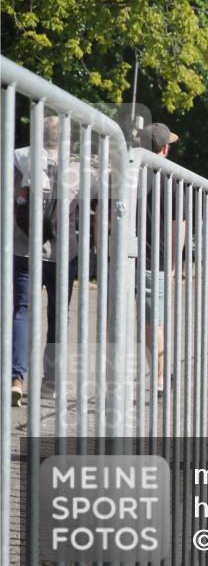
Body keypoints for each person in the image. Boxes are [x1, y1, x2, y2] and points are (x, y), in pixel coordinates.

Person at [10, 116, 86, 406]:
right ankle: (50, 382)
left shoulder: (19, 158)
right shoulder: (76, 168)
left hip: (23, 246)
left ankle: (16, 377)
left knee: (23, 310)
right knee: (58, 315)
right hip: (61, 250)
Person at [141, 123, 185, 395]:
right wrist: (174, 263)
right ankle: (160, 379)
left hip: (128, 258)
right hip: (153, 259)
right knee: (153, 322)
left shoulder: (128, 174)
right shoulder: (169, 180)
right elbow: (178, 225)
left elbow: (103, 215)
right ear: (165, 149)